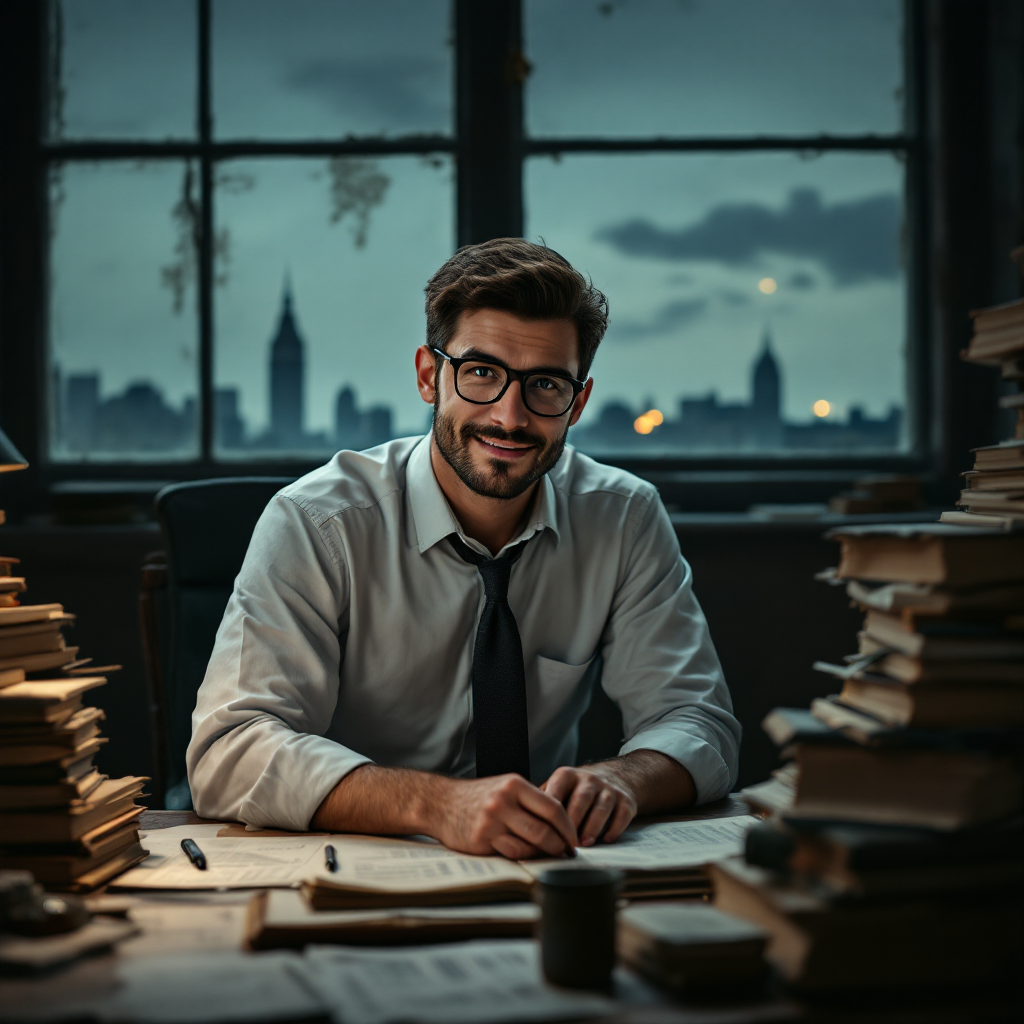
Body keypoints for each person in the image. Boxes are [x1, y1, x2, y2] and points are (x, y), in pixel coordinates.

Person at [187, 238, 740, 859]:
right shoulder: (319, 522)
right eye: (481, 373)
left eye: (546, 385)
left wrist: (622, 781)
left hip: (542, 859)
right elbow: (229, 750)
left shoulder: (624, 517)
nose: (509, 416)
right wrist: (437, 805)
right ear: (430, 376)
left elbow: (701, 722)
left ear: (577, 402)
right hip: (356, 859)